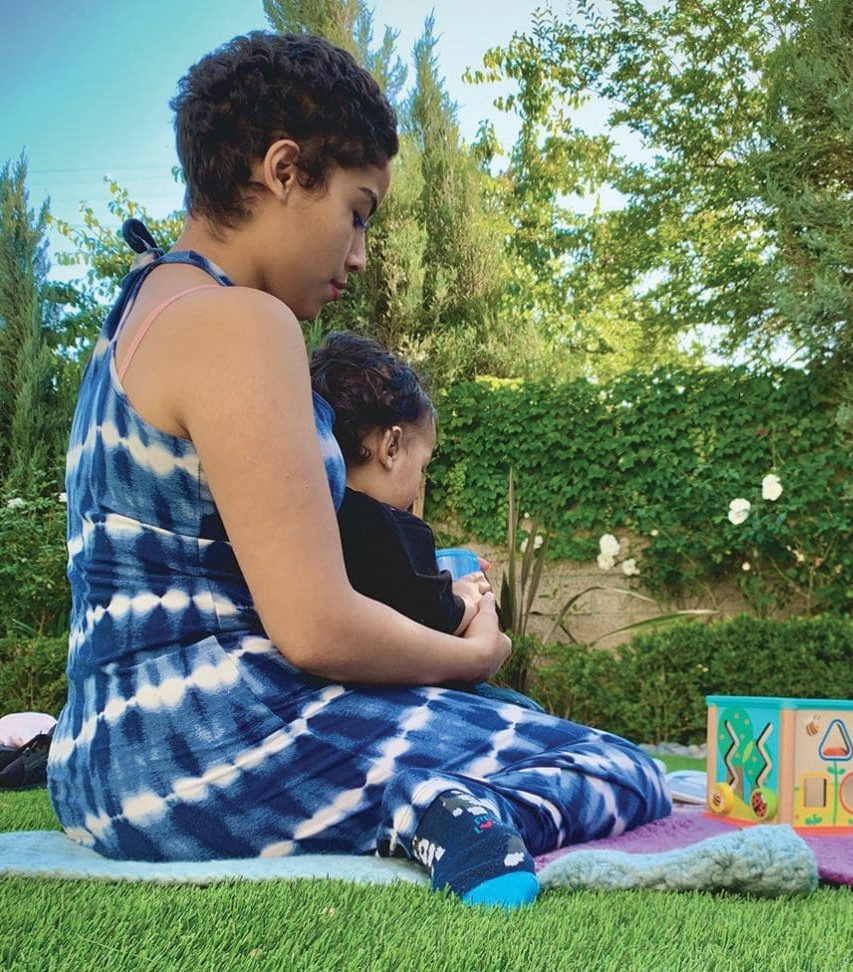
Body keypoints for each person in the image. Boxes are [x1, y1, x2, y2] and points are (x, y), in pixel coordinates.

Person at [47, 31, 670, 910]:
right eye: (359, 210)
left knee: (526, 728)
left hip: (99, 761)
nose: (360, 254)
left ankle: (439, 790)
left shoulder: (136, 320)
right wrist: (474, 659)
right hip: (216, 750)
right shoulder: (244, 324)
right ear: (285, 170)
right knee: (616, 764)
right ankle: (438, 806)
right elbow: (315, 628)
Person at [310, 330, 545, 711]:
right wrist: (471, 599)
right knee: (520, 707)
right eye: (423, 466)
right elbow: (434, 616)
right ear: (390, 447)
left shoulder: (316, 516)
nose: (421, 484)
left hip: (337, 696)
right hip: (394, 697)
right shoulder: (394, 527)